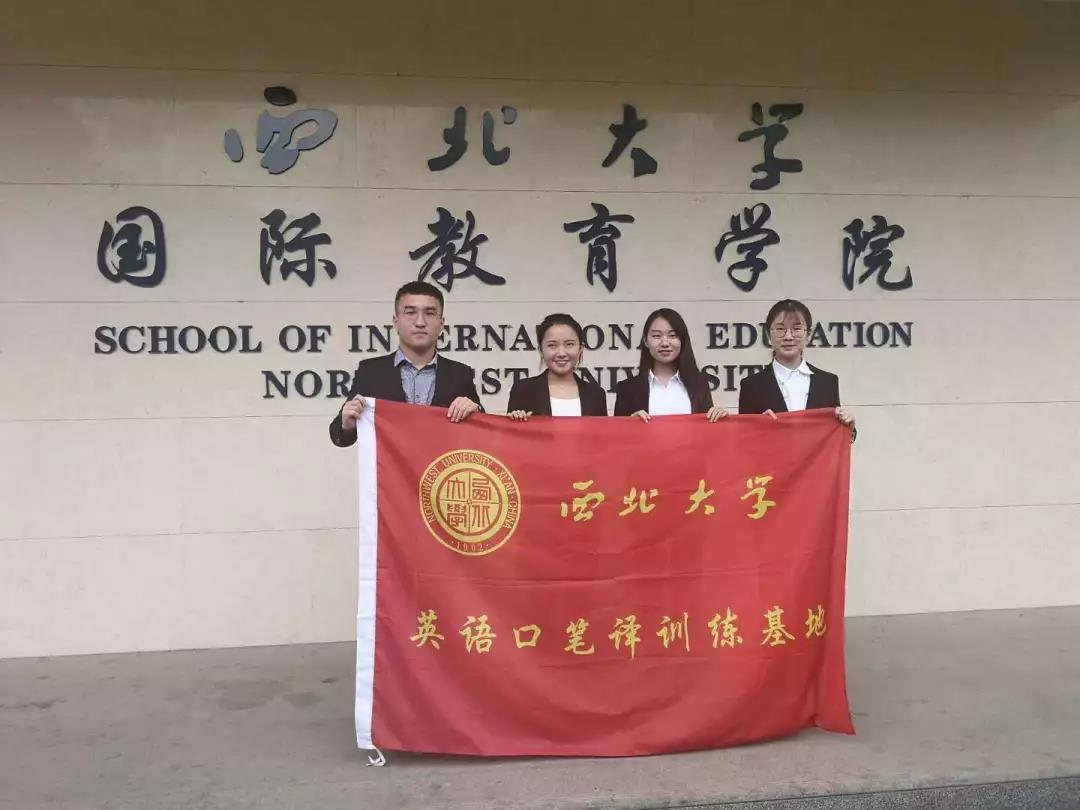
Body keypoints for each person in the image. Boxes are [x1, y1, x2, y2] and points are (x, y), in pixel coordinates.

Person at [328, 281, 482, 448]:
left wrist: (476, 413)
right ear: (396, 321)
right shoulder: (371, 372)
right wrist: (347, 424)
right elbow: (339, 435)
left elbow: (483, 434)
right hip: (389, 465)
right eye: (410, 313)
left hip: (442, 464)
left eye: (430, 313)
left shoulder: (460, 374)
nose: (420, 322)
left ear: (441, 323)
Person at [738, 299, 856, 436]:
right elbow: (743, 438)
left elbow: (834, 435)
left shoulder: (827, 382)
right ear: (769, 335)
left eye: (797, 329)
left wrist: (849, 426)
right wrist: (759, 426)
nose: (788, 337)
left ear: (808, 336)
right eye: (780, 329)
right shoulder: (751, 386)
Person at [613, 308, 727, 422]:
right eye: (657, 336)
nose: (665, 343)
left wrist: (718, 415)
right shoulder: (627, 388)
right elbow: (616, 430)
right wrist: (631, 422)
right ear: (646, 341)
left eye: (672, 335)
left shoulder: (699, 384)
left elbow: (706, 428)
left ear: (682, 340)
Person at [506, 313, 607, 420]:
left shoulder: (596, 394)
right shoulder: (523, 391)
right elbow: (510, 430)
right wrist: (515, 419)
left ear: (580, 349)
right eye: (552, 345)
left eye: (569, 344)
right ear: (541, 350)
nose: (561, 353)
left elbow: (603, 430)